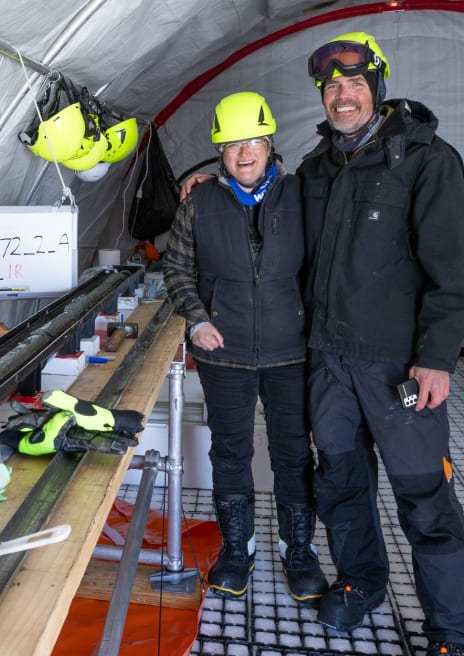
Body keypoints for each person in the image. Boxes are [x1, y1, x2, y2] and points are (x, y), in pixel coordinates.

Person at [300, 32, 464, 656]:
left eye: (353, 84)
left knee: (425, 498)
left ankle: (455, 635)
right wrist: (206, 188)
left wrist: (436, 358)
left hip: (397, 367)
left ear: (375, 88)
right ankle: (360, 583)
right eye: (331, 87)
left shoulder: (427, 161)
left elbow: (454, 270)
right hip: (329, 362)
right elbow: (271, 221)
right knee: (342, 484)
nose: (342, 96)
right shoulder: (317, 167)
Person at [163, 92, 328, 603]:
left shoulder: (303, 194)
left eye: (253, 140)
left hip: (290, 351)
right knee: (230, 452)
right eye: (232, 144)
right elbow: (176, 268)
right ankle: (238, 549)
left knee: (294, 454)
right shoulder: (199, 202)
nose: (244, 152)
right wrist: (196, 320)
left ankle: (298, 550)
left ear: (270, 142)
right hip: (223, 352)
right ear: (219, 152)